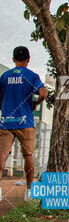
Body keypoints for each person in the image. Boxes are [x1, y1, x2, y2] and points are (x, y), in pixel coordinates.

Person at [0, 46, 47, 202]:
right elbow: (43, 93)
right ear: (28, 60)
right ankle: (28, 191)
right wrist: (35, 104)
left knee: (1, 156)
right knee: (28, 156)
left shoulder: (5, 76)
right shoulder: (31, 76)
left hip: (6, 123)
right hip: (25, 122)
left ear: (13, 60)